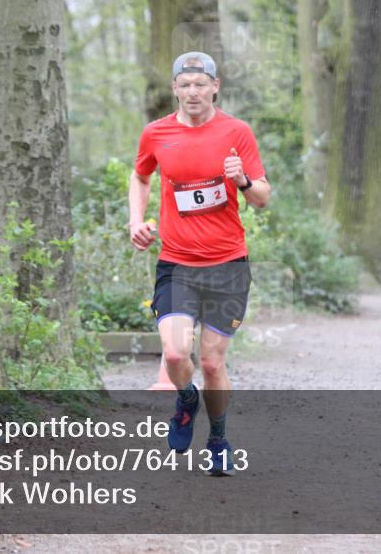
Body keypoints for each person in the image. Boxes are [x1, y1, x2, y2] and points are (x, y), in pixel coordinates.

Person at [128, 51, 270, 476]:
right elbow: (140, 175)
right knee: (175, 354)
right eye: (184, 84)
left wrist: (242, 179)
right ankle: (186, 397)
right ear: (174, 89)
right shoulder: (156, 133)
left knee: (211, 361)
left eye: (200, 83)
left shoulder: (236, 132)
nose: (192, 92)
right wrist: (136, 220)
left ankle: (219, 438)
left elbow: (262, 197)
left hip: (228, 264)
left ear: (215, 86)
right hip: (177, 263)